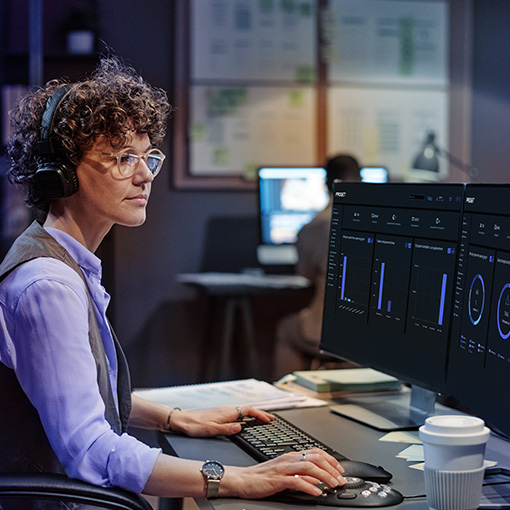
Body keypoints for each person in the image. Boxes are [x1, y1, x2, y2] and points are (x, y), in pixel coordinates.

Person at [0, 56, 345, 508]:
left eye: (148, 158)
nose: (144, 175)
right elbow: (91, 451)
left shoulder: (63, 262)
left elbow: (79, 393)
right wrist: (240, 478)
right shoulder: (49, 284)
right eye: (124, 158)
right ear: (61, 171)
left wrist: (177, 418)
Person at [273, 155, 361, 380]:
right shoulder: (382, 222)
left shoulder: (312, 228)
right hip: (372, 331)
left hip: (329, 330)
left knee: (286, 329)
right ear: (360, 180)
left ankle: (285, 401)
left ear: (326, 184)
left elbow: (306, 276)